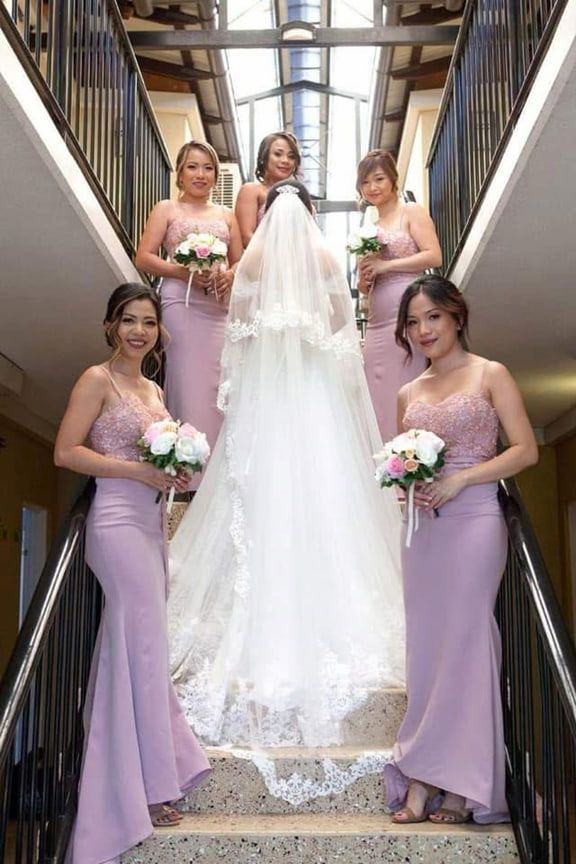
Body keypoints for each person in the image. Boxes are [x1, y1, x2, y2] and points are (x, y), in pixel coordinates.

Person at [166, 179, 405, 784]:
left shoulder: (256, 258)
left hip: (270, 400)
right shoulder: (326, 257)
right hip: (316, 398)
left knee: (262, 496)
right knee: (329, 497)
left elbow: (237, 333)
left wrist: (240, 387)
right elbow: (339, 336)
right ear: (311, 213)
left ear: (269, 212)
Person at [55, 284, 210, 864]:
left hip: (150, 524)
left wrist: (171, 470)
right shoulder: (97, 380)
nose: (139, 331)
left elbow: (159, 459)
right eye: (129, 321)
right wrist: (137, 472)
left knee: (142, 646)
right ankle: (141, 787)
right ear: (110, 326)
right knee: (139, 645)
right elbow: (66, 452)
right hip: (115, 522)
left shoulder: (153, 389)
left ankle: (148, 771)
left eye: (148, 322)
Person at [384, 274, 538, 825]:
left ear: (456, 316)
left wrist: (462, 479)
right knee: (426, 651)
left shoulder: (489, 373)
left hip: (474, 522)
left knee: (468, 645)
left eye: (432, 317)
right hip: (423, 530)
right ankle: (423, 778)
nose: (423, 330)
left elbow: (525, 451)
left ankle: (461, 786)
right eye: (412, 322)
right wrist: (409, 484)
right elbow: (404, 460)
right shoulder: (408, 393)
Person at [135, 141, 243, 487]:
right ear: (180, 173)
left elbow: (241, 259)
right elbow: (144, 256)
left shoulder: (226, 215)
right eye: (193, 167)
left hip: (219, 308)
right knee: (187, 385)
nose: (201, 174)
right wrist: (182, 272)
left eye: (208, 168)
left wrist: (228, 274)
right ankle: (187, 479)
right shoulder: (166, 209)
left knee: (221, 388)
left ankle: (221, 485)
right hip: (181, 305)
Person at [355, 149, 442, 441]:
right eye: (366, 182)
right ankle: (384, 469)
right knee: (375, 393)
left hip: (409, 315)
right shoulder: (368, 229)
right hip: (377, 323)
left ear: (393, 179)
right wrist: (366, 277)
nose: (373, 187)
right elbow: (363, 285)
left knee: (408, 387)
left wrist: (387, 264)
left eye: (379, 179)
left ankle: (413, 457)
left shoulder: (411, 212)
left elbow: (434, 256)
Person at [234, 131, 301, 246]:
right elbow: (246, 236)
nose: (285, 161)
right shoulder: (251, 190)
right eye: (278, 154)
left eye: (291, 156)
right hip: (262, 260)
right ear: (263, 157)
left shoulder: (299, 196)